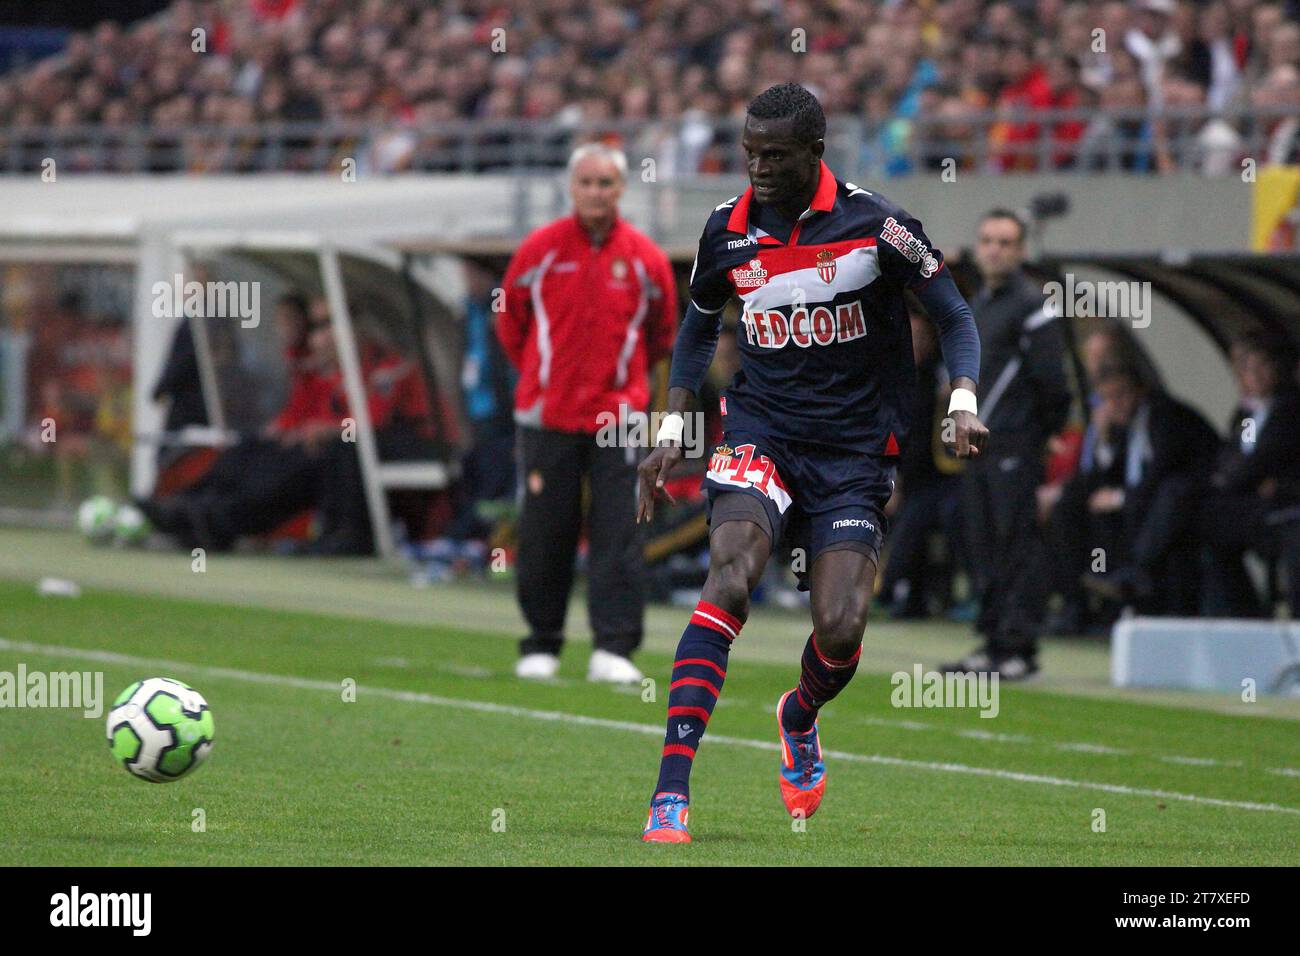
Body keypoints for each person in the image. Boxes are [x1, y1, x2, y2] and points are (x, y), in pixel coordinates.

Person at [637, 83, 985, 843]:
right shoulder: (725, 234)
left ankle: (798, 715)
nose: (758, 167)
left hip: (855, 450)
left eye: (776, 154)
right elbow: (698, 329)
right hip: (761, 431)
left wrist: (962, 398)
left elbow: (954, 314)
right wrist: (674, 420)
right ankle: (670, 792)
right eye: (750, 152)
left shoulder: (879, 226)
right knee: (729, 575)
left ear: (816, 154)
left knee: (839, 625)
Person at [497, 142, 678, 684]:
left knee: (619, 533)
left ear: (621, 189)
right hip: (547, 416)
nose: (596, 192)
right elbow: (510, 323)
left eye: (606, 183)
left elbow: (662, 334)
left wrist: (624, 390)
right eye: (587, 183)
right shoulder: (539, 251)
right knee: (544, 531)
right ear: (571, 188)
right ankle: (542, 642)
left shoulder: (646, 259)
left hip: (617, 419)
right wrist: (541, 379)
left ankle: (614, 648)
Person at [943, 209, 1070, 682]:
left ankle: (1020, 648)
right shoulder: (980, 304)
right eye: (987, 240)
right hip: (980, 448)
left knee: (1017, 544)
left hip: (1015, 443)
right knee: (981, 543)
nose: (994, 249)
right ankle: (994, 641)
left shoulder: (1033, 306)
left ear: (1020, 251)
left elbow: (1053, 382)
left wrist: (1042, 431)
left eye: (1004, 242)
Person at [1077, 361, 1218, 613]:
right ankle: (1096, 596)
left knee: (1158, 498)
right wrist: (1103, 437)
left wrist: (1120, 498)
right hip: (1157, 500)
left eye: (1120, 395)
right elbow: (1107, 478)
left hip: (1202, 498)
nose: (1114, 404)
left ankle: (1134, 575)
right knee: (1088, 504)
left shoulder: (1166, 417)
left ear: (1140, 391)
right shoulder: (1123, 426)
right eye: (1106, 398)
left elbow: (1160, 475)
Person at [1199, 336, 1300, 616]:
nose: (1254, 375)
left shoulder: (1290, 409)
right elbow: (1235, 453)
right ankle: (1239, 610)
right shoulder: (1248, 413)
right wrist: (1226, 479)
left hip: (1280, 503)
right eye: (1248, 368)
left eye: (1262, 367)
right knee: (1202, 520)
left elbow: (1263, 459)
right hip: (1249, 499)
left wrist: (1233, 480)